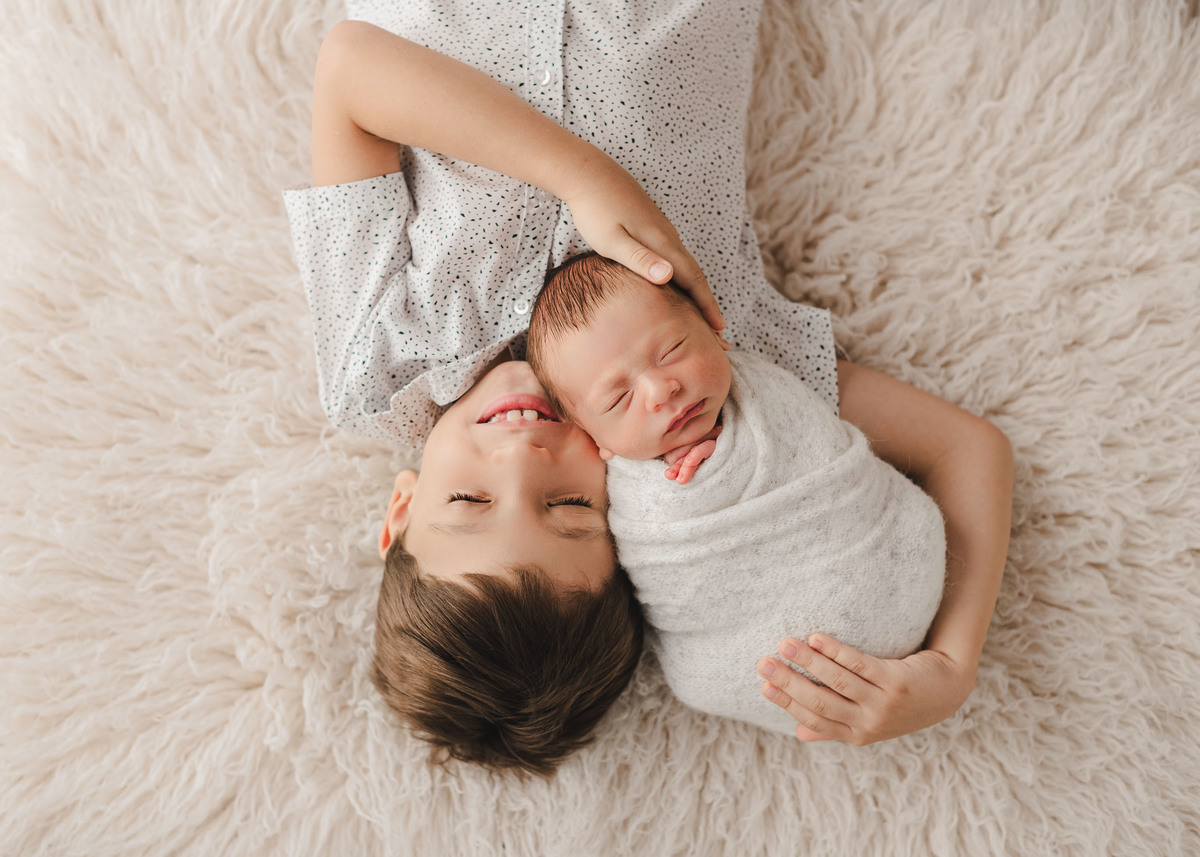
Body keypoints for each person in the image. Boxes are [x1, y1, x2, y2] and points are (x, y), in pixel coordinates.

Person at [284, 0, 1008, 765]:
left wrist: (581, 177)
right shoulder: (718, 390)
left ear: (401, 510)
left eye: (469, 499)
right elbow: (965, 449)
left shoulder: (380, 373)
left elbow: (350, 66)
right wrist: (952, 664)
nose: (523, 457)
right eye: (569, 506)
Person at [526, 253, 1012, 736]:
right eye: (619, 398)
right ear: (595, 439)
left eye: (671, 350)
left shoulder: (778, 369)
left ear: (714, 328)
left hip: (888, 568)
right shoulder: (623, 493)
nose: (660, 389)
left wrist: (954, 667)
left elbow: (971, 447)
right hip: (760, 672)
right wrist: (698, 486)